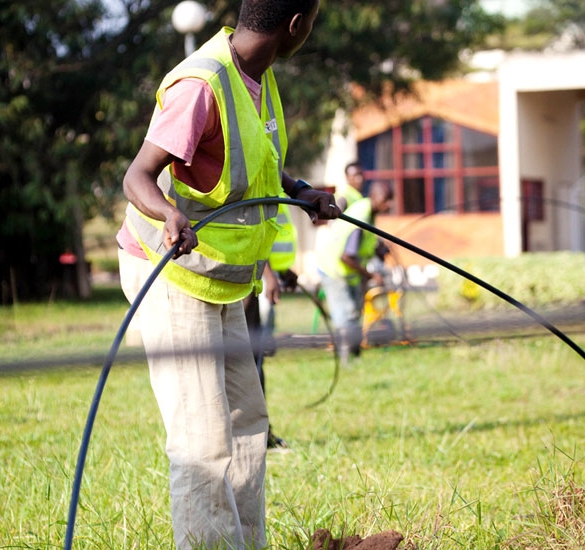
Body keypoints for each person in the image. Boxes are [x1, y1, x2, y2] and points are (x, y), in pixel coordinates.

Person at [115, 1, 338, 548]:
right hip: (169, 275)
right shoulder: (202, 84)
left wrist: (302, 192)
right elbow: (137, 175)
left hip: (221, 281)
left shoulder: (257, 78)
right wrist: (168, 215)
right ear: (295, 25)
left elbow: (257, 162)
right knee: (202, 438)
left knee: (246, 423)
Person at [316, 181, 393, 364]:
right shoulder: (362, 217)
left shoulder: (368, 211)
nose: (389, 204)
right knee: (345, 316)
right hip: (333, 268)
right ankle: (346, 361)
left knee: (353, 313)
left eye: (391, 200)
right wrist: (371, 275)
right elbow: (346, 256)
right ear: (374, 196)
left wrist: (377, 249)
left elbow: (362, 245)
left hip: (347, 271)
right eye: (386, 199)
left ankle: (355, 356)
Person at [243, 202, 298, 449]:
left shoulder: (278, 183)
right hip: (249, 280)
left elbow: (269, 233)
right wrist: (269, 275)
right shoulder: (257, 174)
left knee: (256, 359)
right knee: (248, 360)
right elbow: (250, 229)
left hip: (260, 279)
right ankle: (253, 434)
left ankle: (261, 432)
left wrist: (281, 271)